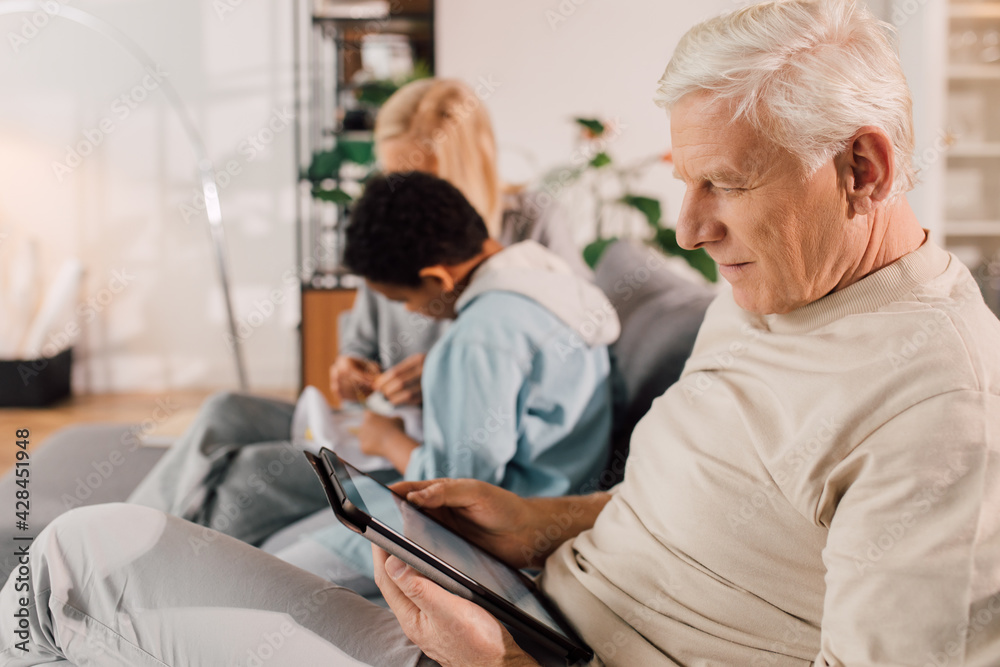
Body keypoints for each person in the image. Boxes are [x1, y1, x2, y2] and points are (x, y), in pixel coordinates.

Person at [3, 0, 1000, 665]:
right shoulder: (776, 285)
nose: (692, 228)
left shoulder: (937, 408)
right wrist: (541, 523)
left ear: (861, 169)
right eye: (683, 181)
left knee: (72, 569)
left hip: (519, 654)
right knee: (81, 551)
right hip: (525, 604)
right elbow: (718, 496)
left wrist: (508, 662)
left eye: (725, 186)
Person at [124, 77, 596, 583]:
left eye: (419, 175)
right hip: (395, 426)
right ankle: (122, 539)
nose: (403, 193)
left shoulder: (511, 273)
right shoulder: (400, 238)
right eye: (392, 174)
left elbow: (560, 324)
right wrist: (352, 363)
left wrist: (433, 379)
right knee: (226, 411)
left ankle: (144, 573)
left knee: (247, 477)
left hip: (427, 442)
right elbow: (369, 327)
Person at [332, 76, 590, 408]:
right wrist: (352, 365)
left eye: (422, 181)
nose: (403, 202)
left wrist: (452, 373)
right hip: (398, 427)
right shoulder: (389, 233)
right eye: (394, 181)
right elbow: (362, 341)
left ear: (474, 163)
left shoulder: (534, 222)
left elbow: (580, 341)